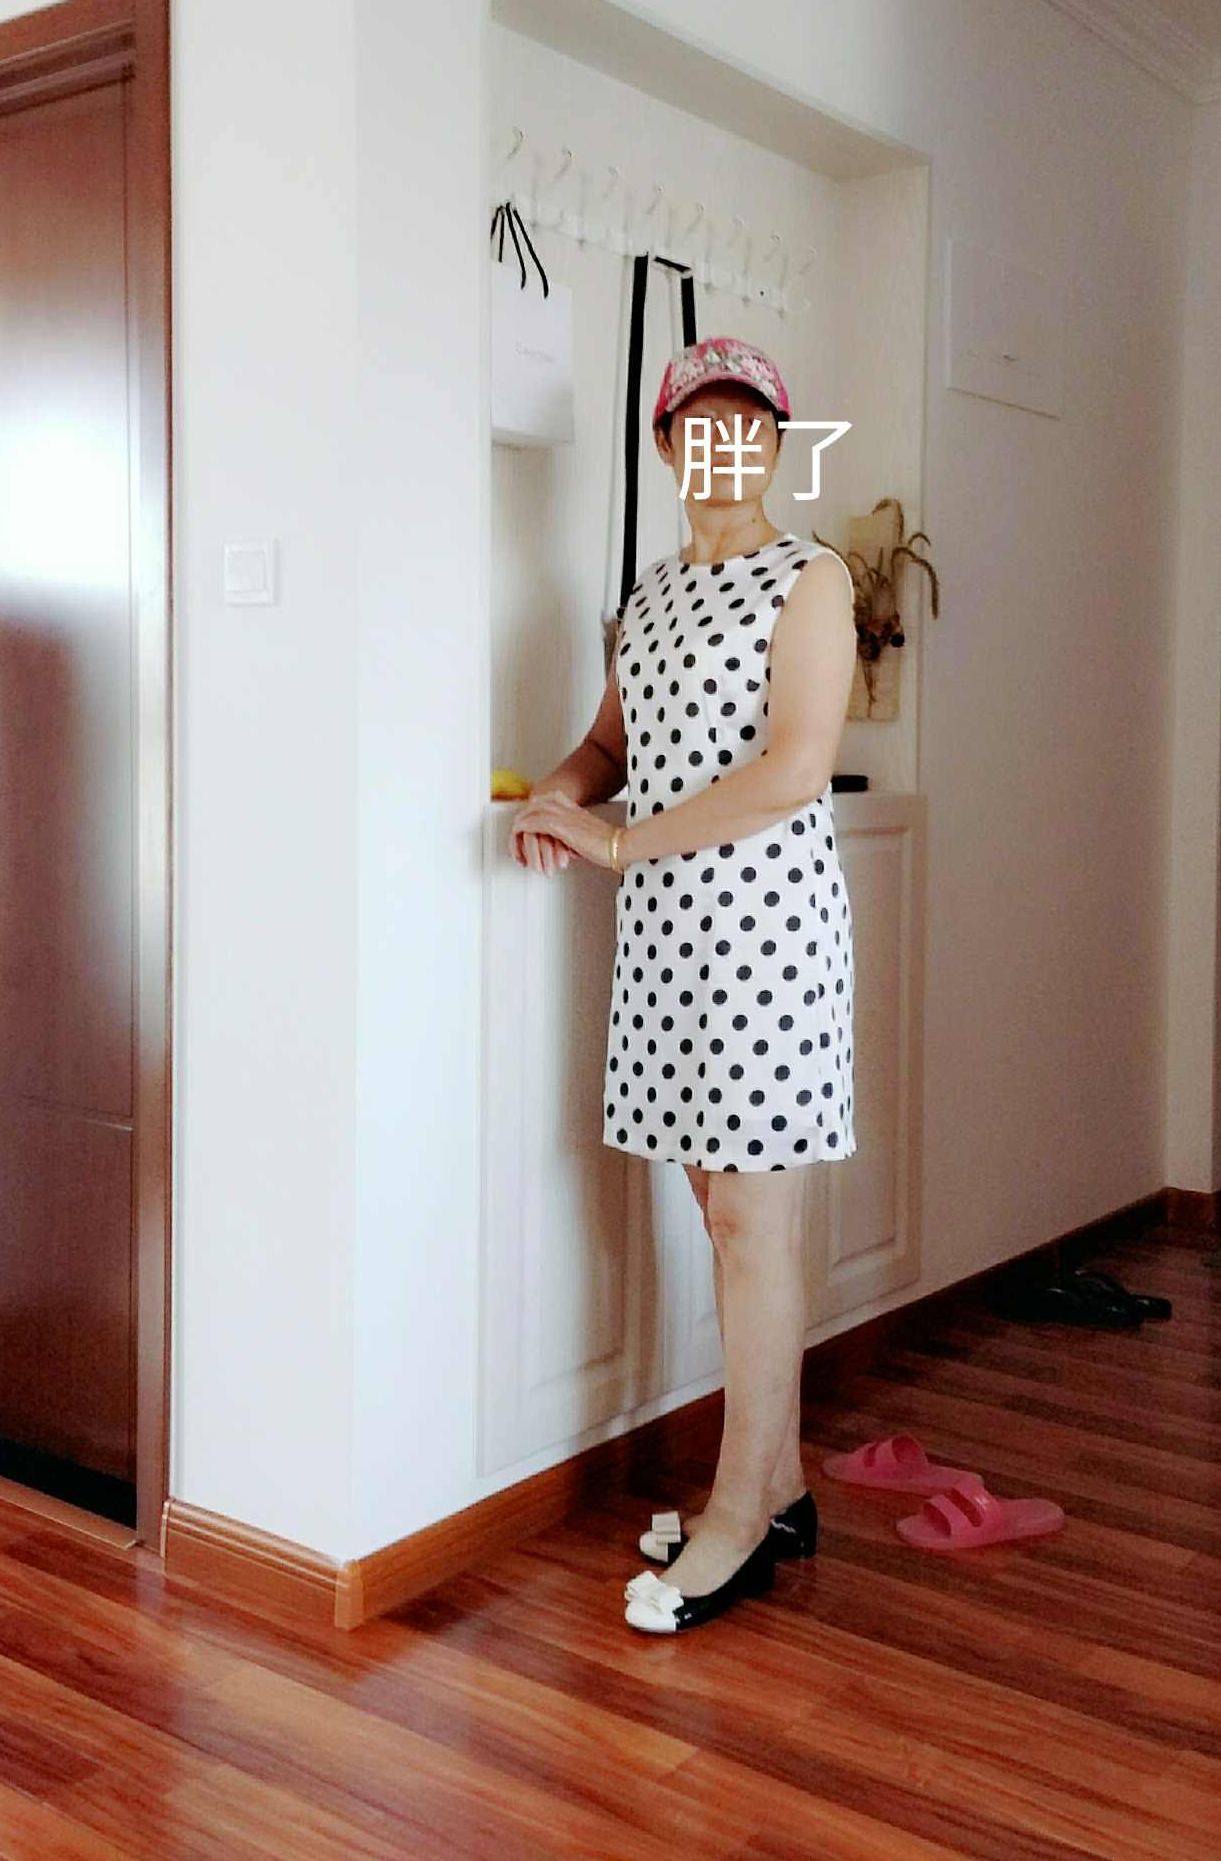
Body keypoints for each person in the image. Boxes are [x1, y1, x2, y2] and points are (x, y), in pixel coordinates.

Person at [510, 334, 858, 1633]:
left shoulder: (810, 577)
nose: (725, 443)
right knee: (721, 1210)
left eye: (749, 423)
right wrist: (556, 795)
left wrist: (614, 845)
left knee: (750, 1222)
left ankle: (736, 1518)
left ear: (774, 443)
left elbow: (794, 769)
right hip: (669, 936)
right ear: (665, 445)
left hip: (767, 933)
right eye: (699, 423)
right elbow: (611, 743)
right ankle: (782, 1484)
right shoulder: (650, 594)